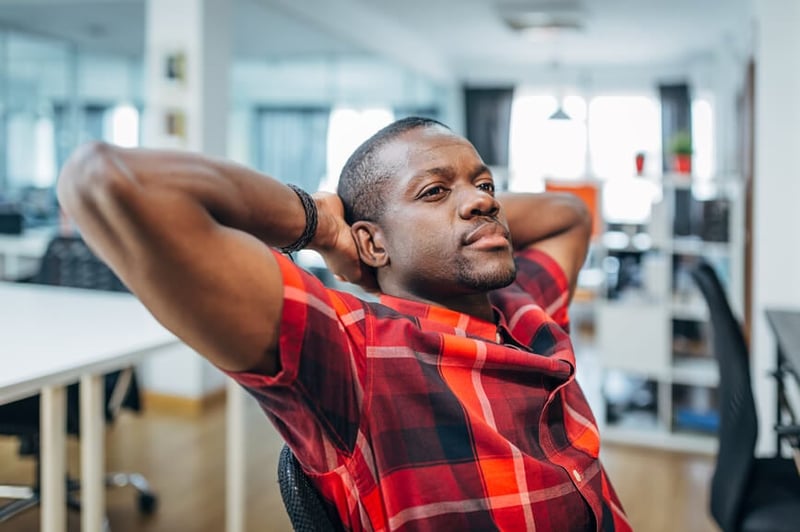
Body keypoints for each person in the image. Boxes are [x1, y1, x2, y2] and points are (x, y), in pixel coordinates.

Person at [57, 117, 631, 531]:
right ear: (373, 242)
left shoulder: (522, 302)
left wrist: (453, 199)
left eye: (484, 185)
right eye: (434, 191)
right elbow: (107, 180)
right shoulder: (355, 349)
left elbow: (569, 216)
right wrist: (323, 225)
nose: (483, 202)